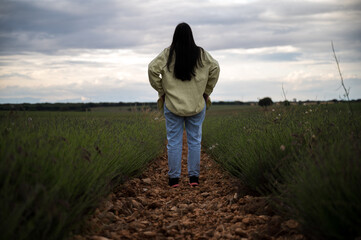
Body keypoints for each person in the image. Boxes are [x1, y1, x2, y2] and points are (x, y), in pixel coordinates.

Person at [148, 22, 220, 188]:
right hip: (196, 104)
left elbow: (152, 69)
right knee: (195, 141)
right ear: (191, 36)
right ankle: (193, 178)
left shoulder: (167, 53)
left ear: (175, 36)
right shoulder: (201, 54)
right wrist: (206, 90)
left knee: (174, 142)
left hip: (172, 104)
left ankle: (174, 180)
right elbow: (215, 68)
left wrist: (163, 90)